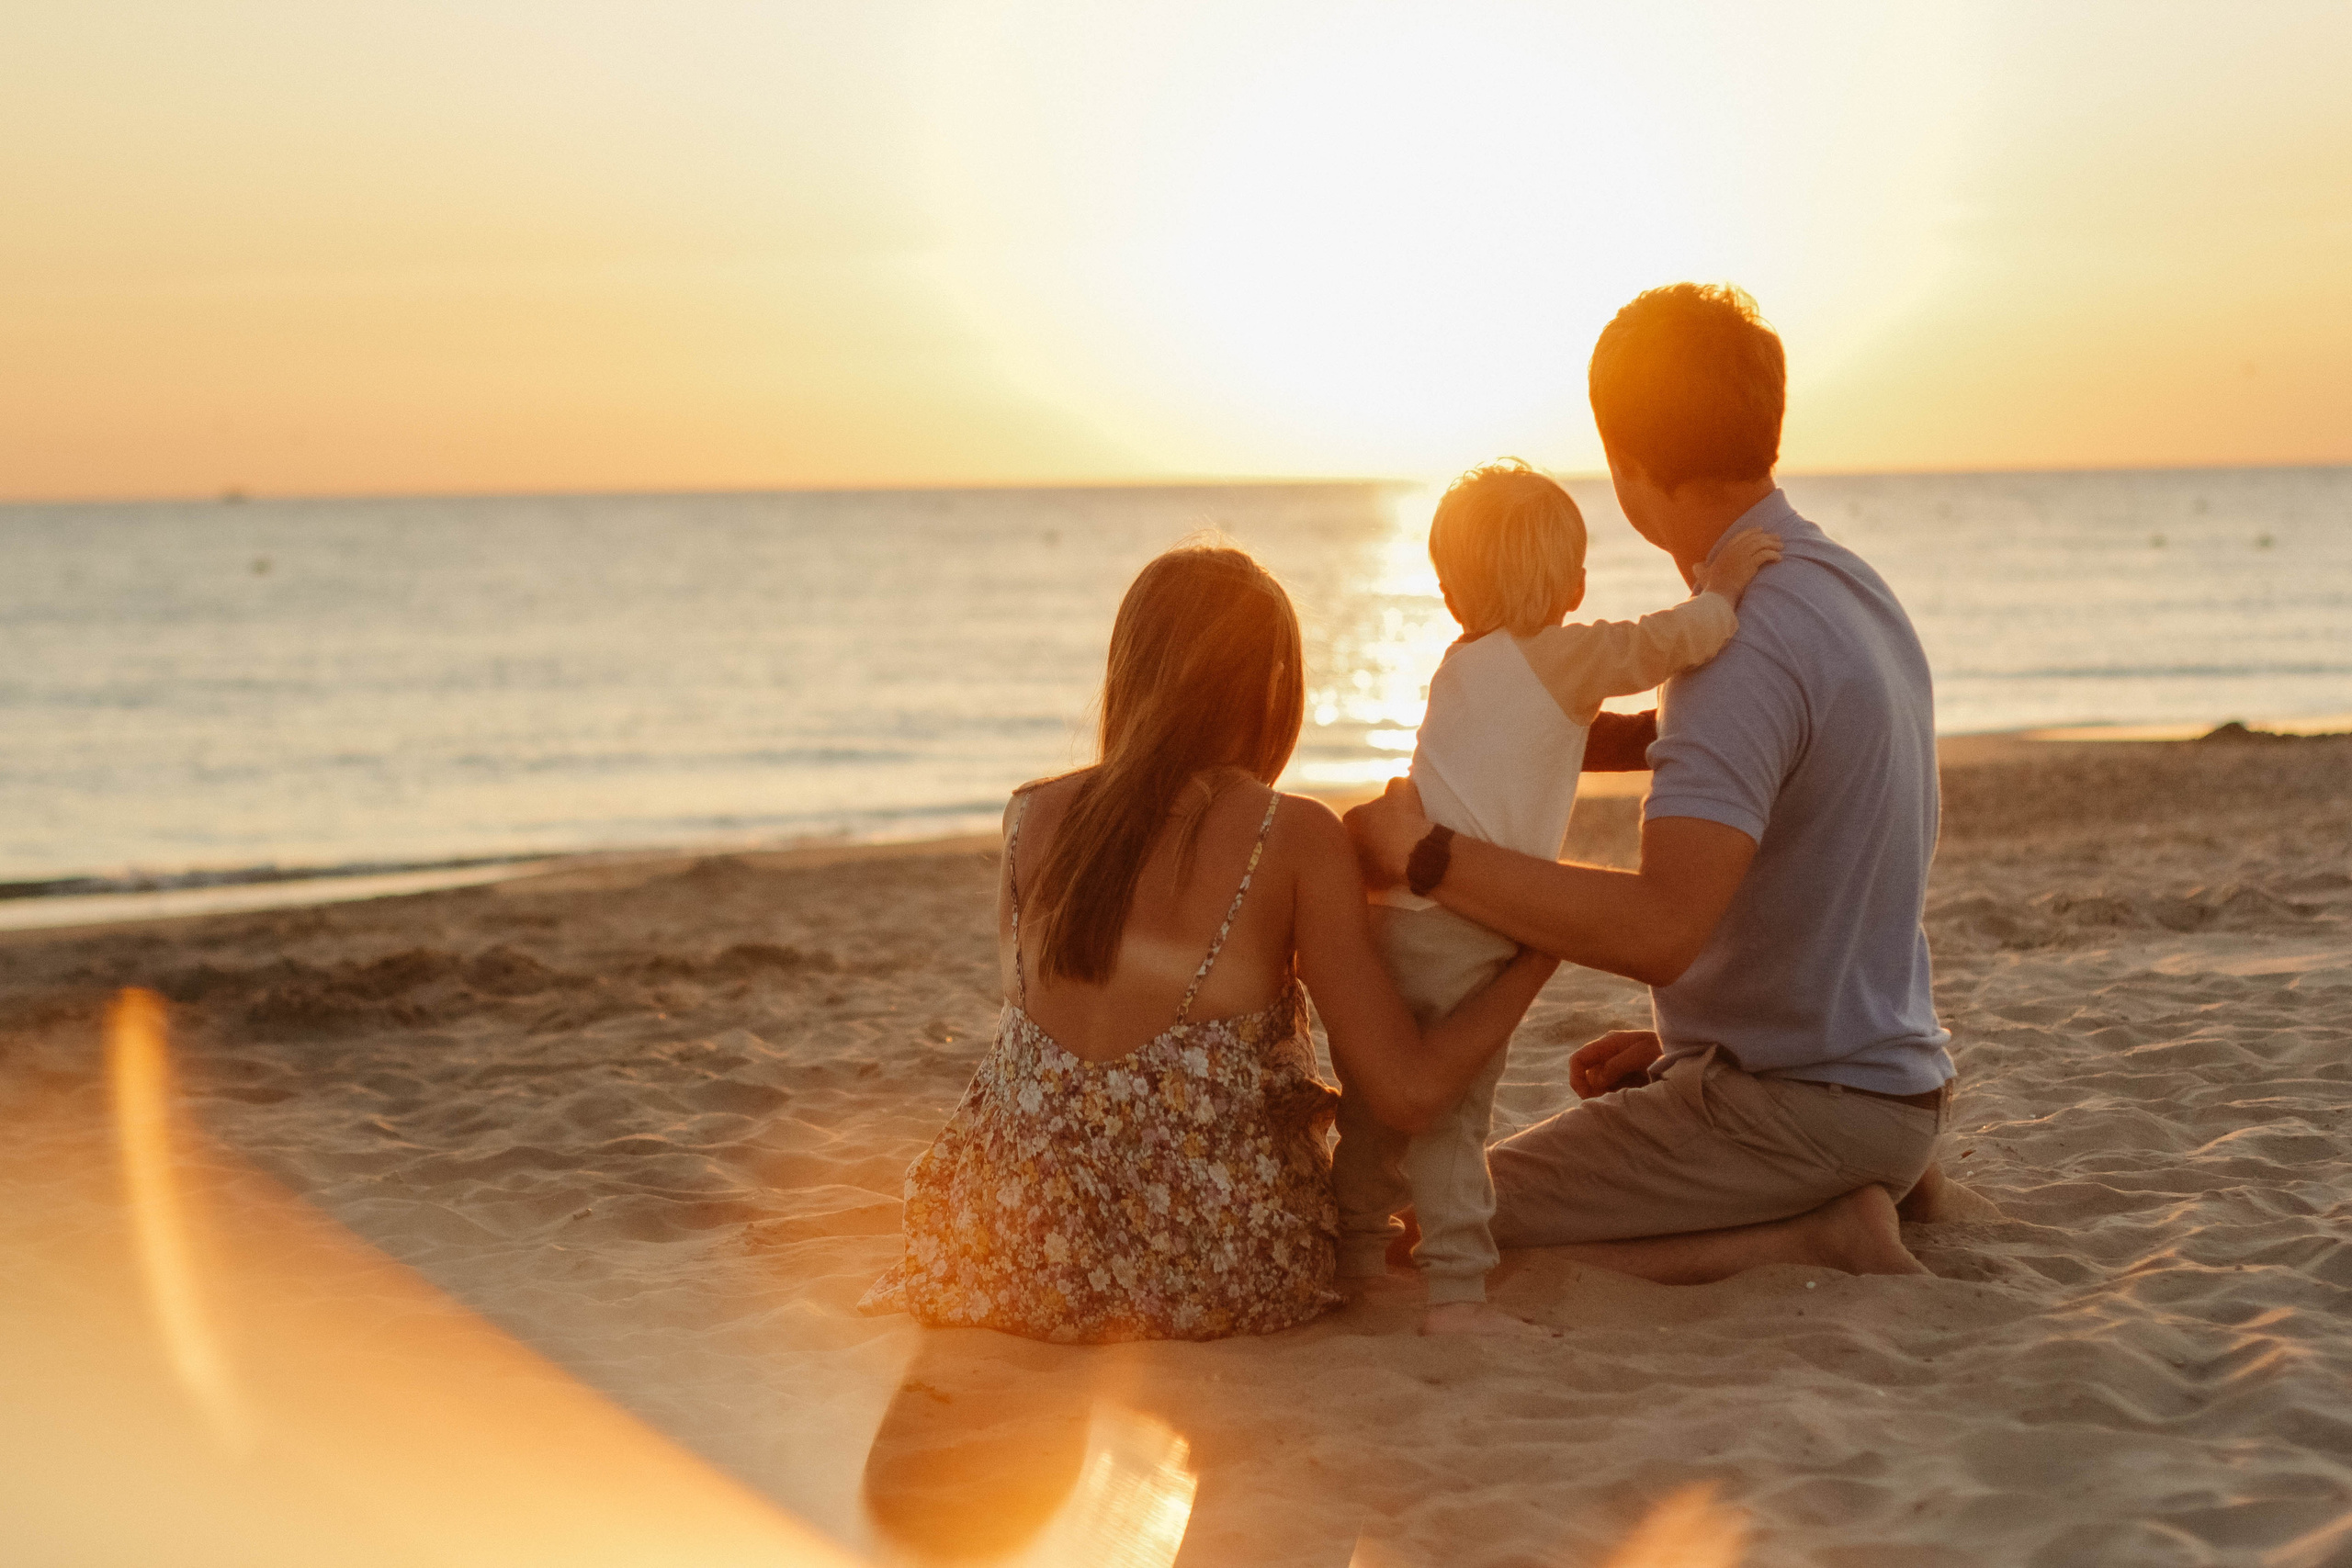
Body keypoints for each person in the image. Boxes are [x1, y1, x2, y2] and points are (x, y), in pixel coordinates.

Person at [1347, 283, 1967, 1285]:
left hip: (1804, 1109)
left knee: (1438, 1222)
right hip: (1877, 1079)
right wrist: (1702, 1043)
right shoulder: (1847, 586)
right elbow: (1820, 863)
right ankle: (1859, 1174)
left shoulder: (1740, 652)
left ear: (1623, 464)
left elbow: (1657, 932)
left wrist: (1423, 854)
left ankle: (1817, 1233)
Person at [859, 542, 1561, 1343]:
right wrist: (1534, 956)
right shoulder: (1291, 835)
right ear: (1272, 688)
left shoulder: (1030, 816)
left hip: (1001, 1252)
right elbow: (1406, 1093)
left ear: (1132, 668)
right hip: (1216, 1262)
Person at [1334, 460, 1780, 1335]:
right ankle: (1457, 1295)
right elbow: (1668, 641)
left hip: (1398, 922)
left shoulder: (1463, 664)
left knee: (1377, 1110)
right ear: (1569, 581)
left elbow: (1554, 736)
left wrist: (1658, 740)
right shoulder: (1566, 655)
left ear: (1451, 588)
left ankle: (1352, 1258)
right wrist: (1723, 589)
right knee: (1457, 1113)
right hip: (1467, 930)